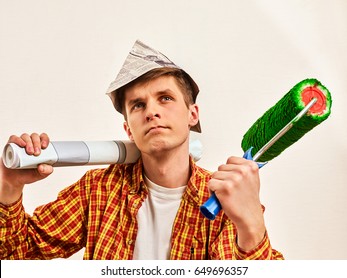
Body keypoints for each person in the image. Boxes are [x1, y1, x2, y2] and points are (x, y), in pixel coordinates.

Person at [0, 40, 283, 260]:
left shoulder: (224, 201)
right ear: (128, 130)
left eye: (165, 98)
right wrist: (8, 189)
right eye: (138, 104)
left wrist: (252, 226)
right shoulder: (98, 190)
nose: (152, 112)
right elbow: (18, 255)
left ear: (192, 115)